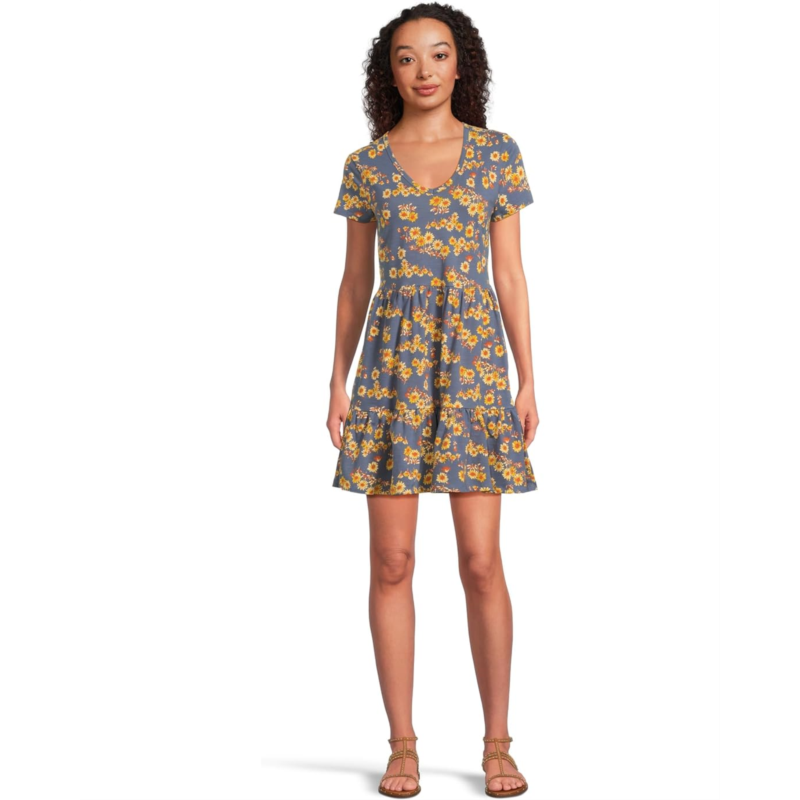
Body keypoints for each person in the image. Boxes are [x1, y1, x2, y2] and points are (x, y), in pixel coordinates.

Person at [326, 4, 539, 797]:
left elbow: (509, 274)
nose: (424, 70)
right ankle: (402, 744)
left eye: (439, 54)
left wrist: (528, 377)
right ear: (389, 72)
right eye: (408, 57)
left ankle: (498, 743)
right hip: (391, 371)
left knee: (481, 562)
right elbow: (356, 281)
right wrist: (337, 378)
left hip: (475, 365)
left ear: (461, 65)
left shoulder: (496, 154)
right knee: (392, 561)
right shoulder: (366, 164)